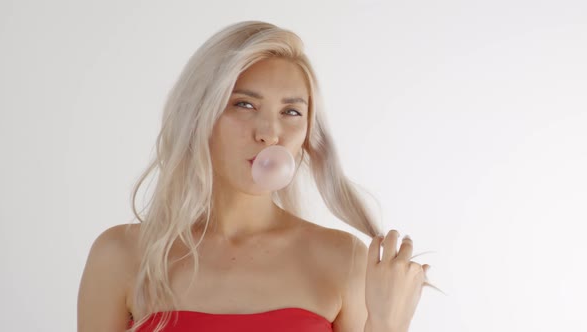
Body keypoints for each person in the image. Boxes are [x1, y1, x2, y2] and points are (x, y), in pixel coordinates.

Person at [77, 21, 434, 332]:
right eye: (244, 104)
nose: (269, 133)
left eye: (291, 111)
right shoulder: (121, 255)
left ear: (308, 134)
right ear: (199, 115)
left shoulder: (345, 259)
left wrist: (389, 325)